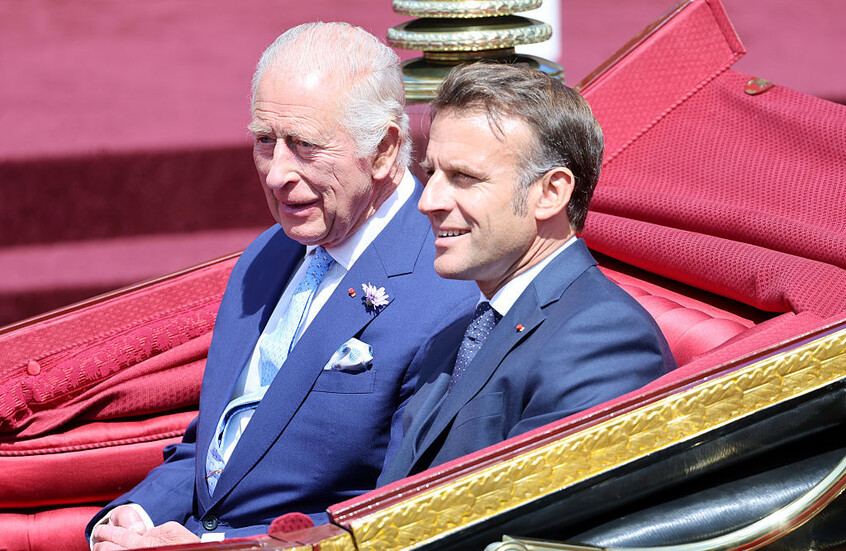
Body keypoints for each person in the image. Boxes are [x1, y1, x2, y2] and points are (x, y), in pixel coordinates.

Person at [87, 22, 477, 548]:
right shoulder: (268, 254)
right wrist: (133, 515)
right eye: (265, 141)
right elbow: (220, 450)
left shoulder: (447, 286)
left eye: (305, 145)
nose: (276, 174)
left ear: (384, 150)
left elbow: (401, 516)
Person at [377, 63, 677, 485]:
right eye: (431, 173)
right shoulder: (457, 333)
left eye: (464, 177)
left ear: (550, 193)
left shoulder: (602, 338)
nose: (428, 201)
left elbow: (541, 510)